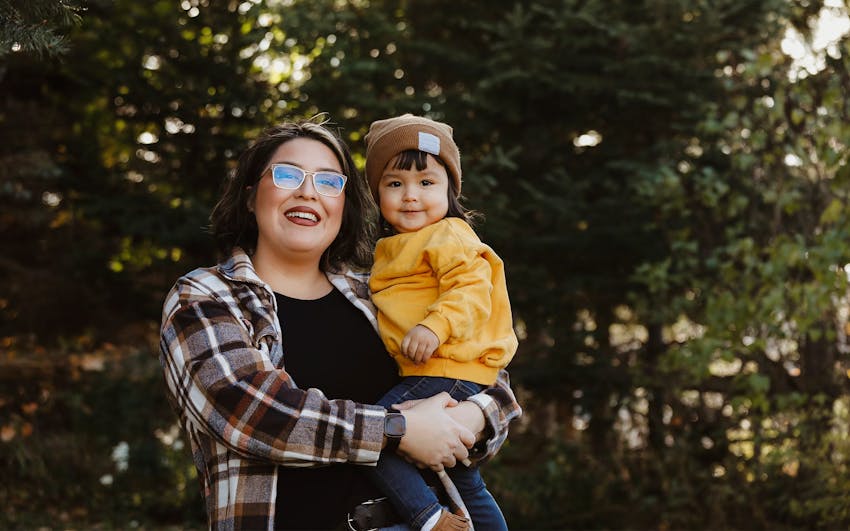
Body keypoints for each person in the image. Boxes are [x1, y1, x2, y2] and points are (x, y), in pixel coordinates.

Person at [157, 116, 522, 530]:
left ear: (344, 205)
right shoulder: (205, 297)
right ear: (249, 194)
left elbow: (486, 377)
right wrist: (398, 430)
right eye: (287, 174)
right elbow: (250, 414)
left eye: (329, 181)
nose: (308, 192)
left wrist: (472, 417)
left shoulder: (374, 295)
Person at [363, 115, 517, 531]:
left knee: (373, 436)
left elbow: (471, 287)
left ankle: (428, 518)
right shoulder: (392, 247)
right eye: (395, 184)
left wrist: (434, 327)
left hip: (444, 368)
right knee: (464, 476)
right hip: (442, 372)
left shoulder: (448, 234)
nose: (411, 196)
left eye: (426, 183)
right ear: (376, 193)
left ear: (450, 189)